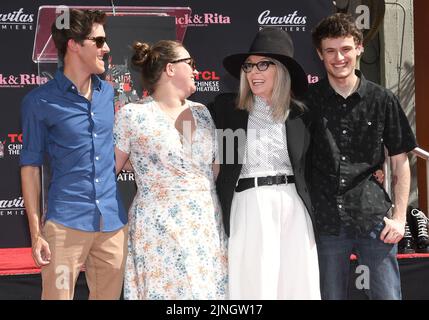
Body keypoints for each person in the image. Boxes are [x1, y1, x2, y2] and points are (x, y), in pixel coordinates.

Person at [307, 13, 417, 300]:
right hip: (327, 222)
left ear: (359, 48)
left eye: (345, 49)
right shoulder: (307, 101)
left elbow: (400, 161)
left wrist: (400, 218)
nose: (338, 57)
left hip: (374, 220)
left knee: (387, 296)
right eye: (330, 50)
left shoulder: (383, 100)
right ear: (320, 54)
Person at [20, 9, 127, 300]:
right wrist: (36, 233)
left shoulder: (110, 95)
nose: (107, 48)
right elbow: (30, 166)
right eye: (100, 40)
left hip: (112, 224)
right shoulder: (39, 101)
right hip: (65, 224)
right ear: (74, 44)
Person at [208, 27, 320, 299]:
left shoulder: (300, 115)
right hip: (248, 204)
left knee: (297, 286)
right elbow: (188, 135)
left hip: (293, 205)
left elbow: (321, 162)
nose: (253, 72)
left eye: (262, 65)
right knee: (254, 286)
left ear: (281, 70)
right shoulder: (228, 111)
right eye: (249, 66)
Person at [114, 40, 228, 300]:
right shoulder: (133, 115)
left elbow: (211, 168)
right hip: (158, 231)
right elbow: (110, 169)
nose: (195, 71)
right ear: (170, 69)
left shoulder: (201, 113)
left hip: (204, 228)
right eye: (190, 64)